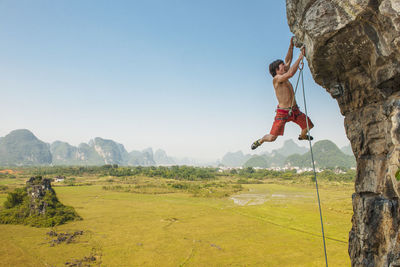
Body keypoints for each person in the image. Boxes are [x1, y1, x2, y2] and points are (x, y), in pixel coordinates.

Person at [251, 37, 314, 150]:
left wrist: (291, 46)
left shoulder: (282, 73)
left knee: (309, 125)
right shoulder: (277, 79)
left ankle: (302, 136)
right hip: (282, 113)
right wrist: (300, 57)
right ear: (276, 70)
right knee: (272, 138)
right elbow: (290, 73)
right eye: (282, 66)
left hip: (294, 110)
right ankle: (260, 141)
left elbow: (288, 60)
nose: (284, 66)